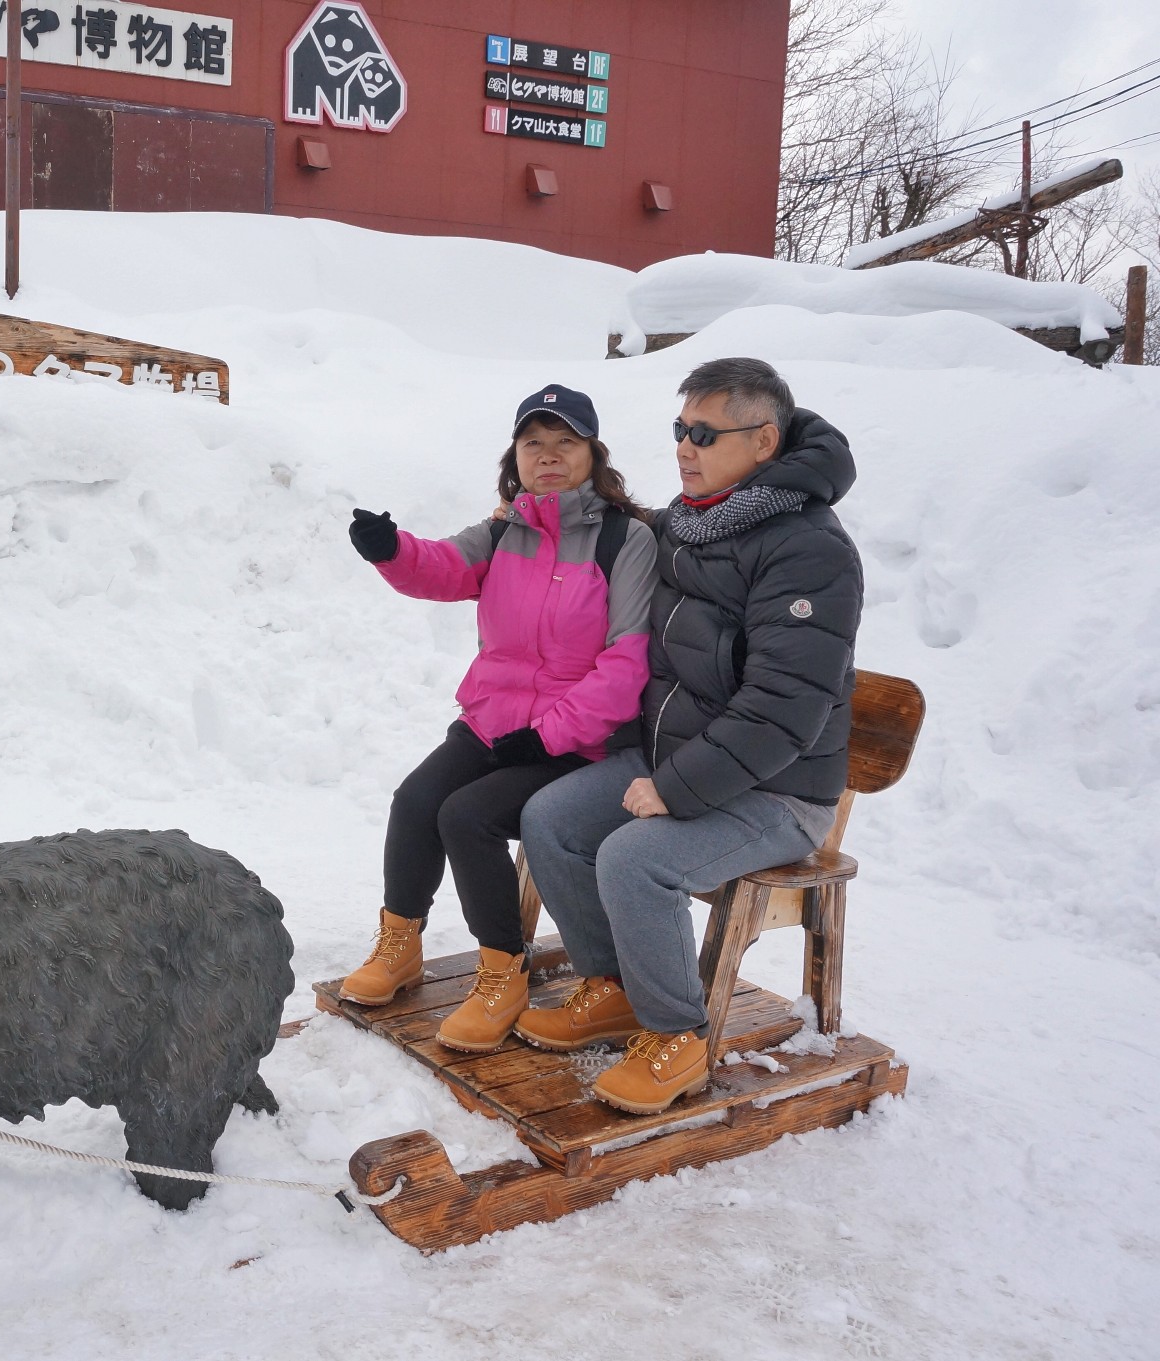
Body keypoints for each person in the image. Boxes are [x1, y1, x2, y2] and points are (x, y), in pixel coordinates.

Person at [515, 357, 863, 1116]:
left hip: (779, 789)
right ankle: (611, 987)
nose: (684, 446)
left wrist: (673, 788)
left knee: (635, 857)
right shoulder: (695, 519)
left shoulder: (809, 550)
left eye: (704, 433)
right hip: (684, 756)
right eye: (679, 429)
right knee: (547, 817)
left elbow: (782, 712)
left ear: (764, 440)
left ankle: (677, 1037)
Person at [338, 384, 656, 1054]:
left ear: (592, 453)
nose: (547, 455)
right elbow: (441, 567)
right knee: (416, 799)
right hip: (493, 720)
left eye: (564, 442)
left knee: (468, 814)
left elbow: (627, 665)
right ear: (515, 455)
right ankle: (400, 947)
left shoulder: (625, 540)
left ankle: (501, 975)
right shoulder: (505, 530)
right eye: (532, 442)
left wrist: (549, 733)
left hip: (575, 740)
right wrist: (389, 547)